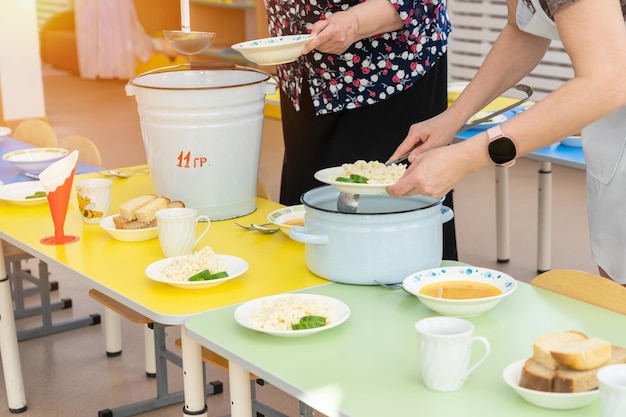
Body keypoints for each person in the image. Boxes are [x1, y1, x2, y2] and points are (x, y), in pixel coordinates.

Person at [387, 0, 626, 284]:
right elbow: (524, 30)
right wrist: (452, 119)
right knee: (615, 273)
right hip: (613, 109)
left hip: (612, 87)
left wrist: (469, 157)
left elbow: (607, 83)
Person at [266, 0, 459, 259]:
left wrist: (355, 22)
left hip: (388, 71)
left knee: (385, 227)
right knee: (310, 220)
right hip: (302, 69)